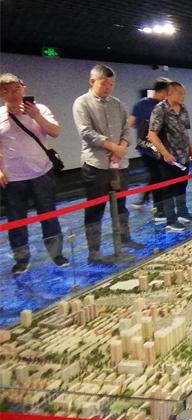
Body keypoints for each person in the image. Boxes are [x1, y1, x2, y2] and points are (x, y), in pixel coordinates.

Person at [73, 64, 144, 263]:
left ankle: (124, 239)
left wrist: (122, 146)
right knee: (95, 209)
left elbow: (126, 129)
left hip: (119, 165)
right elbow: (86, 132)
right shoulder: (82, 102)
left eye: (111, 84)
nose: (108, 88)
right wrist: (114, 147)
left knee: (121, 206)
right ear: (92, 81)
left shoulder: (117, 103)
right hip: (96, 165)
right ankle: (94, 252)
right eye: (104, 83)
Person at [0, 73, 67, 273]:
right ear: (1, 94)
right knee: (16, 220)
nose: (13, 94)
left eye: (16, 89)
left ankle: (56, 254)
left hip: (41, 173)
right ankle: (21, 259)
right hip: (13, 178)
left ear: (24, 89)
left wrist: (36, 116)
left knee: (48, 215)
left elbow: (55, 132)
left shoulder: (40, 109)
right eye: (6, 90)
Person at [147, 82, 192, 232]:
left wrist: (191, 148)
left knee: (182, 185)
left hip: (183, 155)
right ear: (169, 94)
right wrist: (165, 153)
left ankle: (183, 212)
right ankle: (171, 219)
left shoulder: (183, 108)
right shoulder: (160, 109)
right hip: (168, 157)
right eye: (179, 93)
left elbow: (184, 131)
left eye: (184, 93)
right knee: (168, 188)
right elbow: (152, 134)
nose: (183, 96)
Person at [129, 79, 170, 218]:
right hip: (150, 147)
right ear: (163, 91)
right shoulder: (158, 106)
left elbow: (131, 123)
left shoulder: (141, 104)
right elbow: (132, 123)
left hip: (152, 146)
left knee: (156, 175)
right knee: (157, 176)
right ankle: (159, 210)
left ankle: (145, 200)